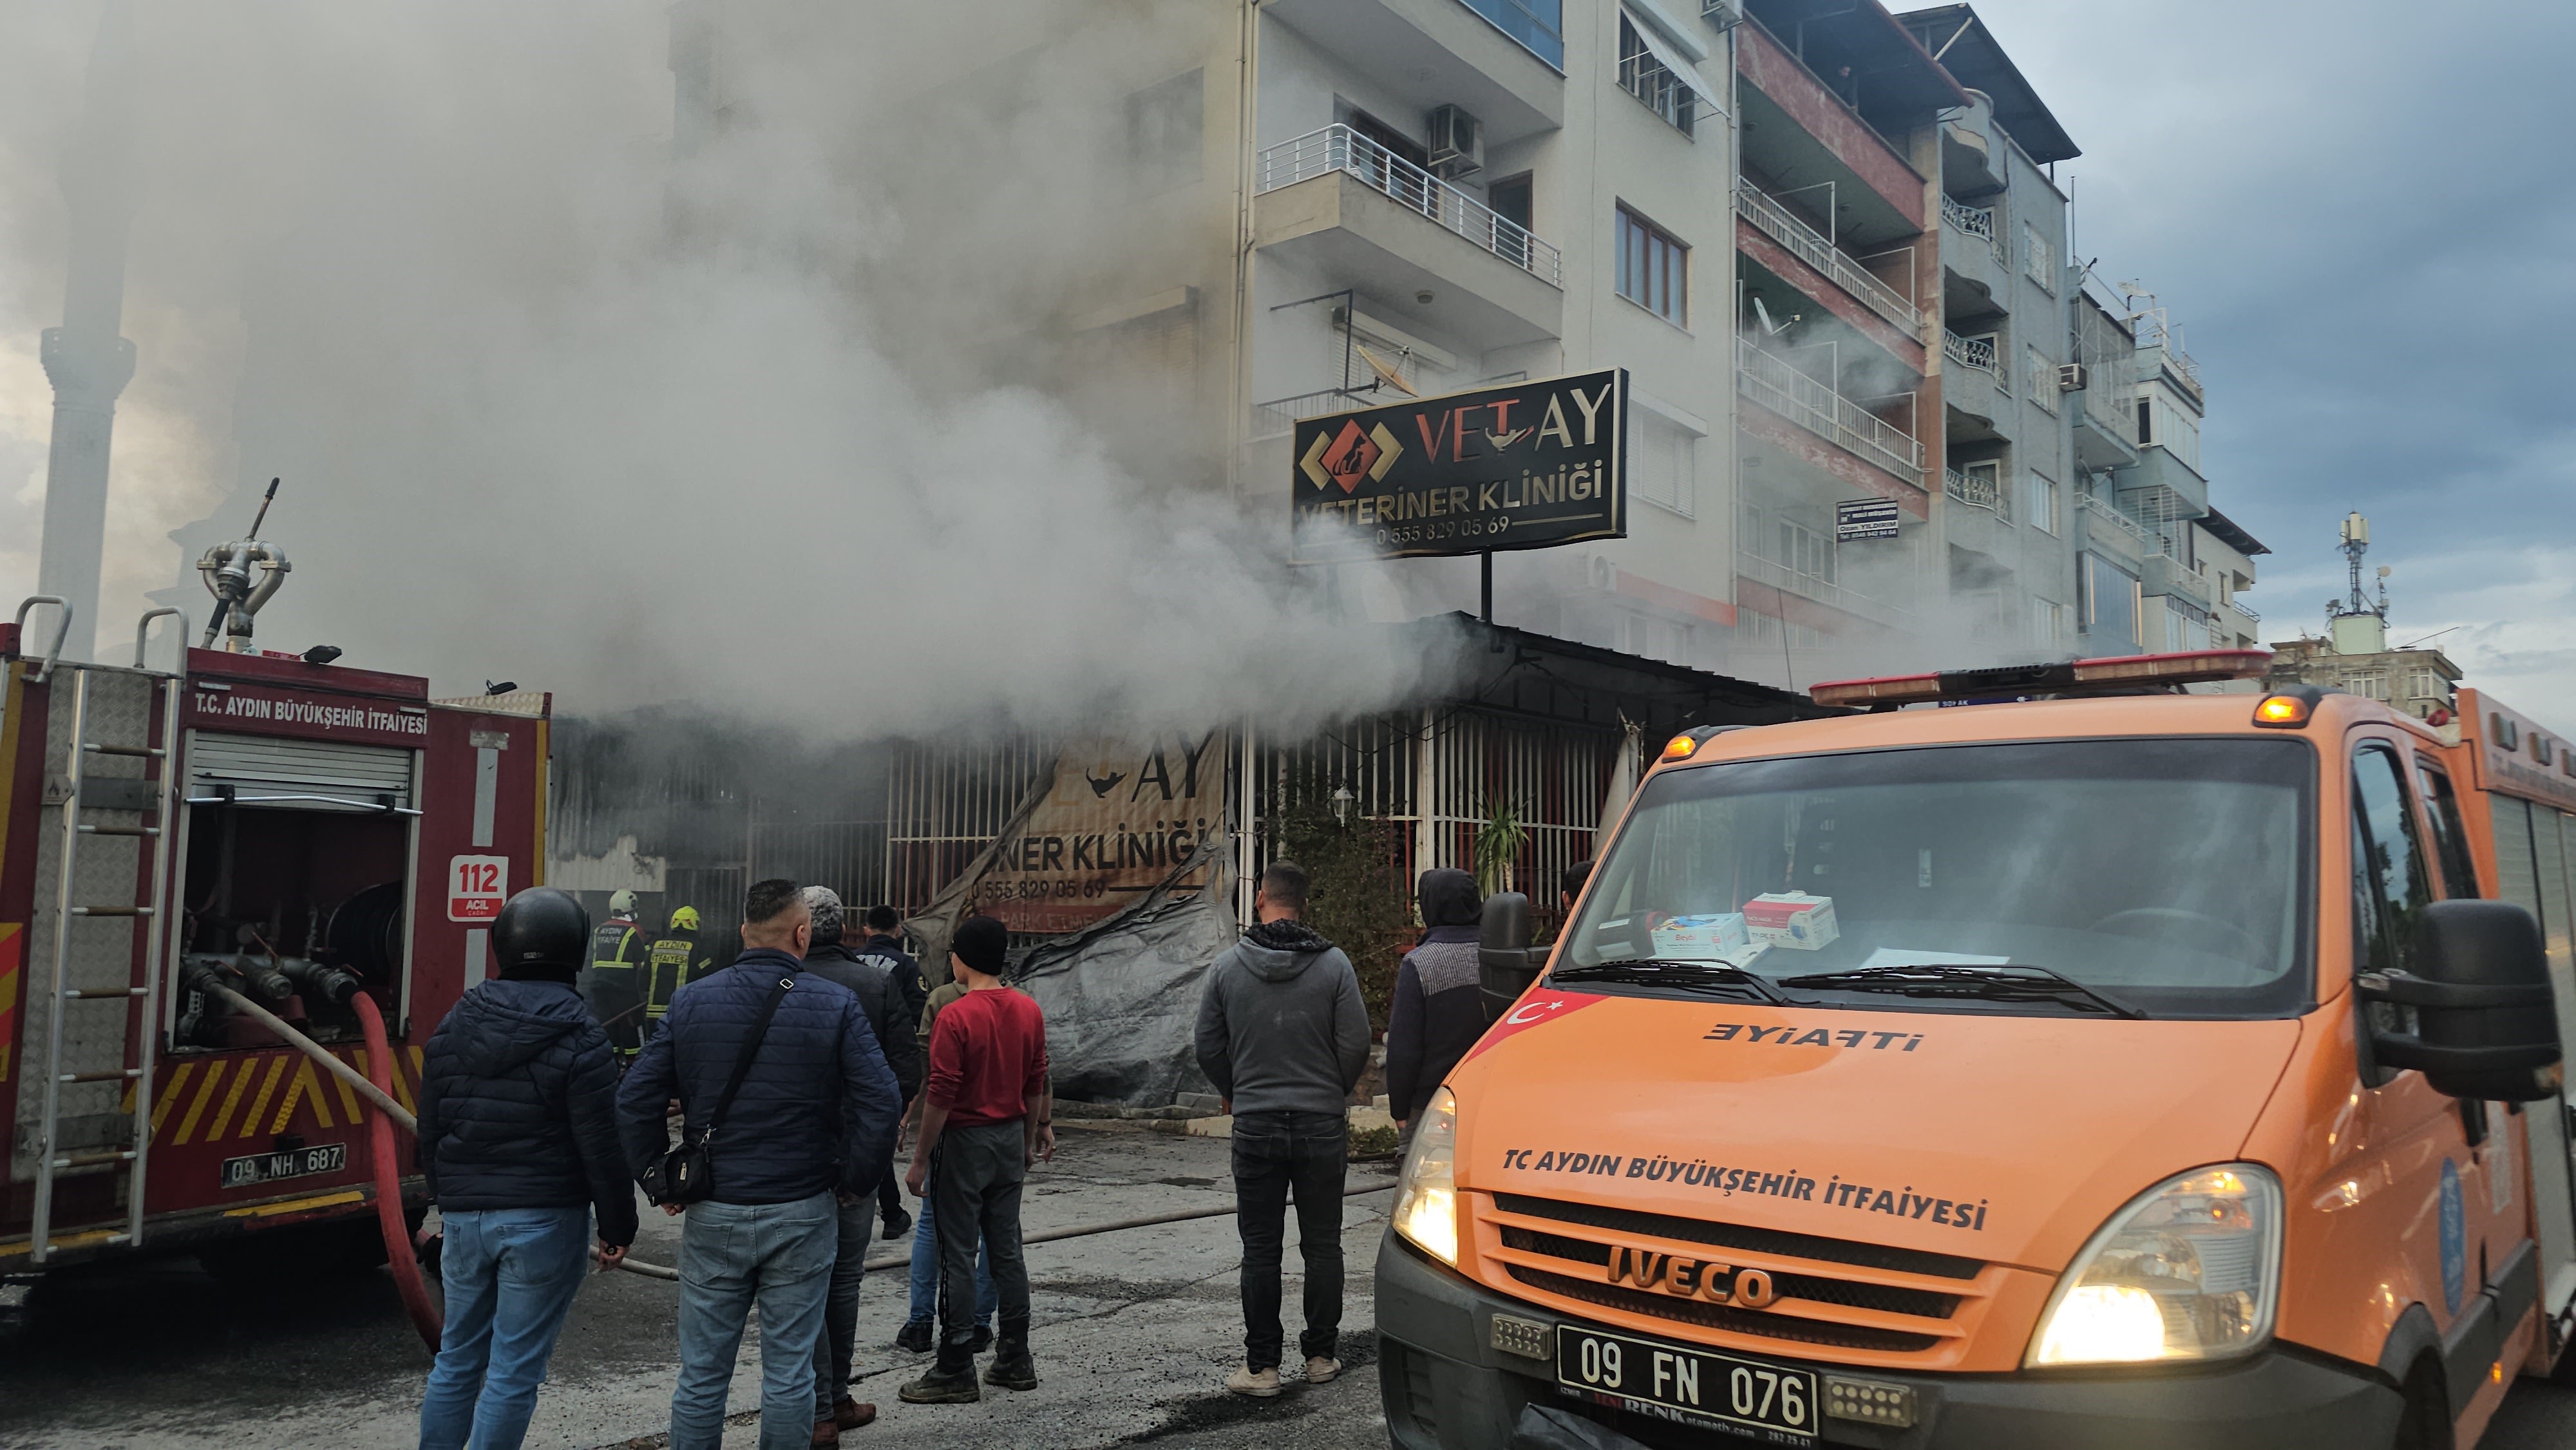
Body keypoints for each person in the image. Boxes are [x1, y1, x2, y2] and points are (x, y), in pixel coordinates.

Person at [617, 880, 902, 1450]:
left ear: (745, 933)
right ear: (802, 933)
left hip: (715, 1211)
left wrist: (656, 1176)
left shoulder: (692, 1001)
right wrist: (855, 1180)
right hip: (802, 1209)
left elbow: (632, 1098)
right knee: (791, 1372)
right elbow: (883, 1099)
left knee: (701, 1376)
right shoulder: (836, 1004)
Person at [417, 886, 639, 1450]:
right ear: (578, 950)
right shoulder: (582, 1035)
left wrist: (447, 1198)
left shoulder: (454, 1024)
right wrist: (618, 1226)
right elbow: (601, 1144)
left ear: (502, 946)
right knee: (514, 1370)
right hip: (545, 1222)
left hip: (465, 1222)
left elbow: (431, 1126)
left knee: (457, 1358)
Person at [1193, 860, 1370, 1398]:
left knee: (1261, 1249)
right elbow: (1356, 1044)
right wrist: (1328, 1088)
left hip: (1256, 1124)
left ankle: (1262, 1368)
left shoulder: (1227, 969)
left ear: (1260, 900)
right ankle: (1321, 1356)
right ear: (1305, 905)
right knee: (1322, 1246)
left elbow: (1208, 1045)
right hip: (1320, 1124)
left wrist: (1238, 1088)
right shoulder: (1335, 966)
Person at [898, 916, 1052, 1406]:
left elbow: (941, 1094)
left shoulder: (956, 1015)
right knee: (1007, 1250)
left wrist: (921, 1158)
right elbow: (1035, 1082)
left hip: (963, 1142)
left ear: (963, 958)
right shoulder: (1028, 1009)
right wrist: (1026, 1141)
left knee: (958, 1254)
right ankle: (1015, 1357)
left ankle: (955, 1365)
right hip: (1009, 1138)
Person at [794, 887, 923, 1445]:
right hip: (855, 1160)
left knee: (799, 1285)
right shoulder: (876, 984)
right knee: (842, 1282)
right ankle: (834, 1400)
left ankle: (816, 1405)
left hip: (790, 1162)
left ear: (799, 927)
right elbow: (905, 1071)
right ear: (844, 929)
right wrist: (880, 1135)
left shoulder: (778, 983)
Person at [893, 961, 998, 1357]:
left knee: (933, 1229)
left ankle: (921, 1322)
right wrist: (1039, 1125)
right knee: (993, 1233)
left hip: (952, 1132)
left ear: (963, 957)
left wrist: (907, 1122)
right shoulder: (1021, 1002)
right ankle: (980, 1323)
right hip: (1001, 1135)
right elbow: (1039, 1074)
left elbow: (928, 1075)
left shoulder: (943, 1000)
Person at [1385, 869, 1485, 1145]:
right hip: (1491, 1098)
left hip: (1433, 1104)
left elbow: (1404, 1048)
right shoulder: (1500, 955)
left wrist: (1401, 1109)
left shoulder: (1420, 963)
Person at [853, 905, 925, 1241]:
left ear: (866, 929)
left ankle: (892, 1212)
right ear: (898, 930)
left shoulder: (851, 961)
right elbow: (916, 1016)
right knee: (876, 1135)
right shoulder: (908, 966)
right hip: (884, 1061)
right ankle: (892, 1212)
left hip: (847, 1057)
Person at [582, 888, 651, 1059]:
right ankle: (635, 1064)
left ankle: (610, 1064)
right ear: (631, 908)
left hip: (599, 989)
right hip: (624, 989)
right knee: (633, 1027)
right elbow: (643, 962)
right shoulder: (634, 930)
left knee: (609, 1027)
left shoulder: (599, 930)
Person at [640, 905, 716, 1045]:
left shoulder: (656, 946)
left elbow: (643, 977)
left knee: (654, 1053)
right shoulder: (697, 949)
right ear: (694, 924)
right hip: (683, 1014)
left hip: (653, 1015)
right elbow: (709, 980)